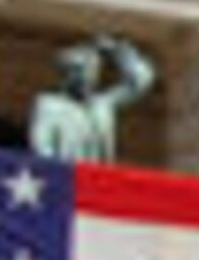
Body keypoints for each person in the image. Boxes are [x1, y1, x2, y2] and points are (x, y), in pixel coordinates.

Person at [26, 32, 153, 163]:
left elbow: (141, 80)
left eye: (92, 70)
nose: (86, 77)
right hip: (66, 175)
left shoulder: (103, 104)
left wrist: (117, 51)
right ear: (66, 76)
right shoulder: (49, 105)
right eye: (78, 71)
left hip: (99, 177)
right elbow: (41, 146)